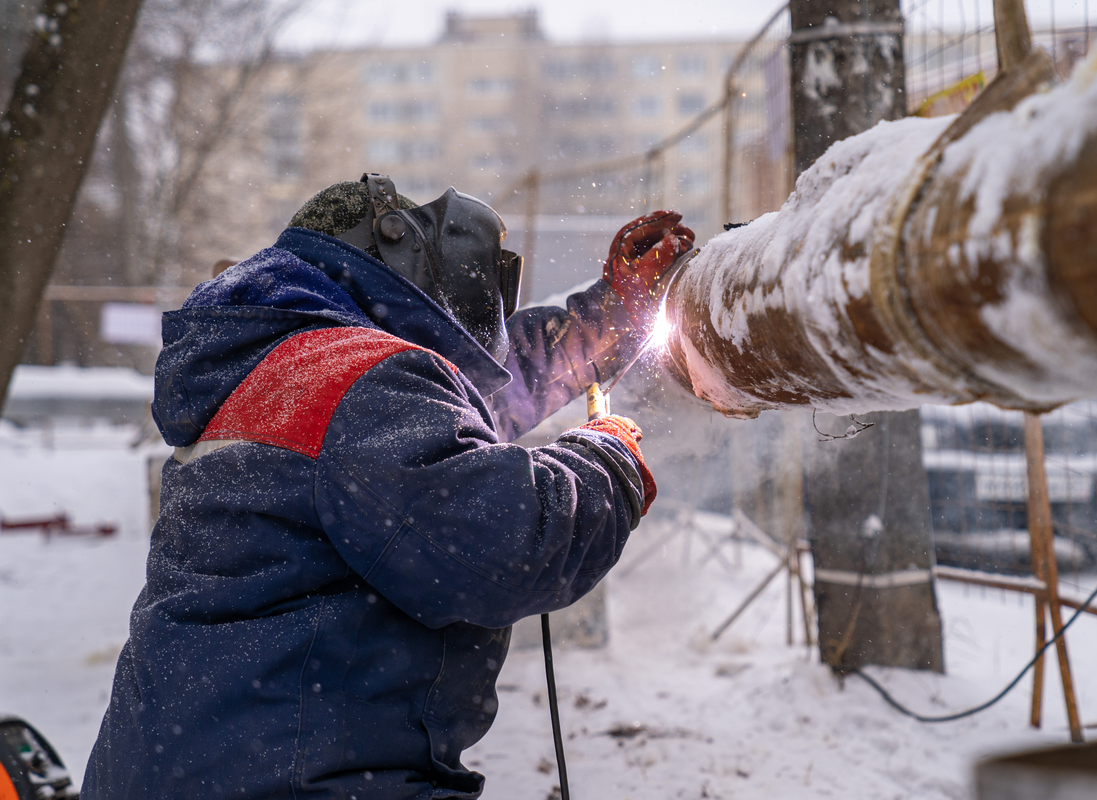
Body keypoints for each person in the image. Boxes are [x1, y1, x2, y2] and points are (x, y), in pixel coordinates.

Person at [82, 173, 694, 799]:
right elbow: (510, 543)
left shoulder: (285, 369)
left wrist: (608, 322)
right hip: (294, 780)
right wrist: (606, 456)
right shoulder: (356, 383)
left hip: (196, 766)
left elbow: (460, 410)